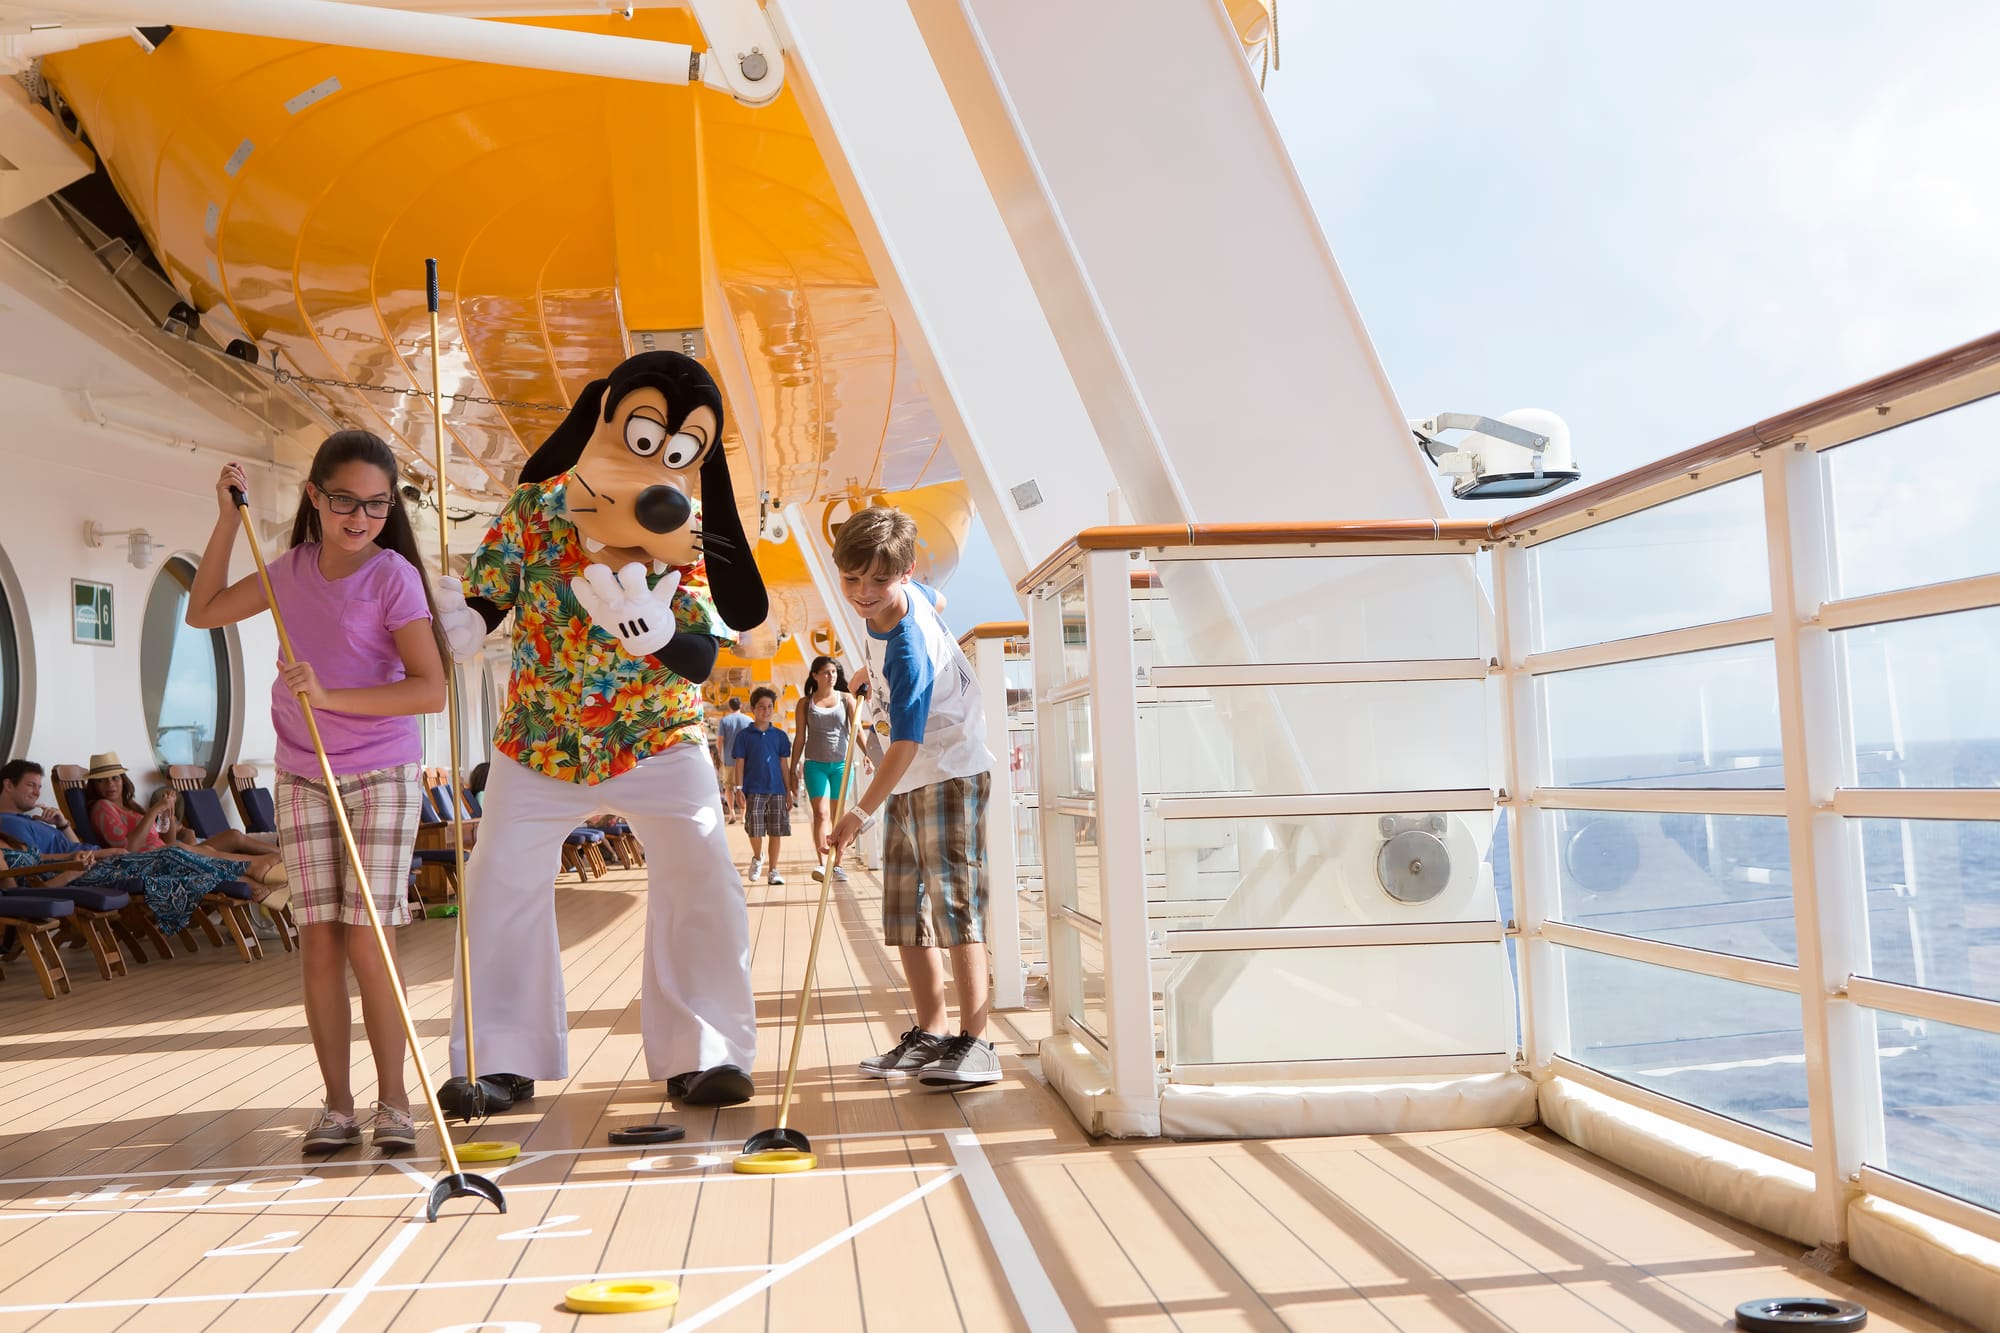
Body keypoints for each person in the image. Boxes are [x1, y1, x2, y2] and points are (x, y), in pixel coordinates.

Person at [185, 438, 449, 1155]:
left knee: (371, 938)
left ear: (388, 508)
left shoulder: (393, 577)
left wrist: (332, 696)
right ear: (314, 496)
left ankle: (395, 1101)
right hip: (303, 774)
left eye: (375, 503)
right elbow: (202, 611)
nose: (359, 515)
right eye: (344, 500)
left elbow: (430, 687)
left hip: (382, 773)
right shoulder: (287, 574)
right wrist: (221, 518)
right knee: (318, 942)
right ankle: (339, 1106)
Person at [824, 507, 1000, 1091]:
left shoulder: (906, 650)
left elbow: (904, 742)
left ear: (904, 571)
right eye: (852, 580)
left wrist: (856, 813)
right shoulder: (913, 595)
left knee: (956, 904)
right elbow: (938, 601)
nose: (863, 593)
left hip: (946, 770)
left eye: (878, 581)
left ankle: (977, 1044)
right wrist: (863, 675)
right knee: (905, 909)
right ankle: (931, 1033)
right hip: (908, 778)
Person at [80, 755, 287, 891]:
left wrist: (167, 813)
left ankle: (283, 858)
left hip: (167, 853)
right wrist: (154, 810)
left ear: (122, 780)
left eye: (114, 778)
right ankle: (256, 872)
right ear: (94, 785)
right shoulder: (102, 807)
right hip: (144, 863)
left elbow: (165, 839)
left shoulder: (132, 807)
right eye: (102, 780)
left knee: (231, 836)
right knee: (190, 851)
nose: (110, 784)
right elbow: (128, 848)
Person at [788, 655, 857, 882]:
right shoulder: (805, 703)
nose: (831, 676)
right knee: (821, 814)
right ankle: (822, 865)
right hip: (814, 765)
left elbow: (858, 731)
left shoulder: (847, 699)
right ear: (815, 675)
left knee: (838, 817)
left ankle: (837, 864)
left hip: (841, 766)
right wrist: (792, 769)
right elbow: (800, 738)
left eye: (834, 672)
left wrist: (867, 756)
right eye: (826, 672)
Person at [734, 687, 791, 885]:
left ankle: (773, 870)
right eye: (761, 707)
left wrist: (789, 790)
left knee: (776, 831)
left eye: (769, 707)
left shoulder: (780, 736)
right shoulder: (744, 736)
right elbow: (739, 763)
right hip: (754, 790)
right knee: (755, 830)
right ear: (752, 709)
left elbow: (784, 764)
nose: (765, 711)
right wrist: (739, 789)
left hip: (777, 790)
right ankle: (758, 857)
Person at [715, 696, 750, 824]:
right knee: (744, 788)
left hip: (729, 759)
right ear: (740, 706)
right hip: (745, 761)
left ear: (729, 707)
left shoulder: (724, 721)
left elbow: (719, 741)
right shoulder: (749, 721)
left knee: (728, 788)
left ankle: (731, 813)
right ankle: (744, 816)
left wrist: (720, 755)